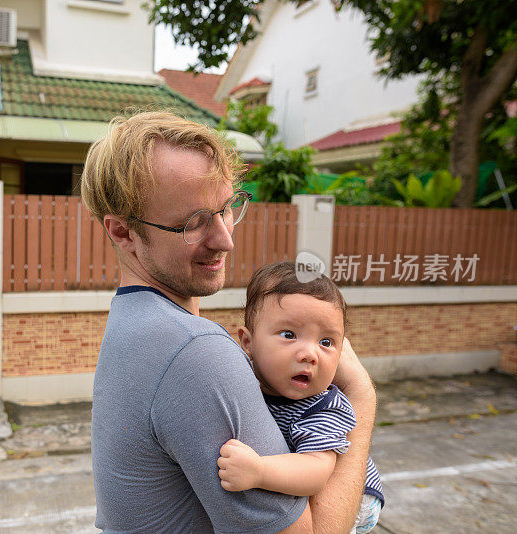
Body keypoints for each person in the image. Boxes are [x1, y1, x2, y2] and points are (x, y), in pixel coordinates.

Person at [81, 111, 377, 533]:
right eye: (193, 223)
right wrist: (361, 397)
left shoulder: (131, 319)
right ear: (123, 232)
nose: (225, 239)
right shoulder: (194, 351)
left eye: (225, 209)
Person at [217, 261, 384, 533]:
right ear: (248, 343)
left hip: (360, 502)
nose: (310, 353)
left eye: (326, 342)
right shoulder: (243, 377)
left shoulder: (324, 407)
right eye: (289, 334)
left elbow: (317, 472)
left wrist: (259, 471)